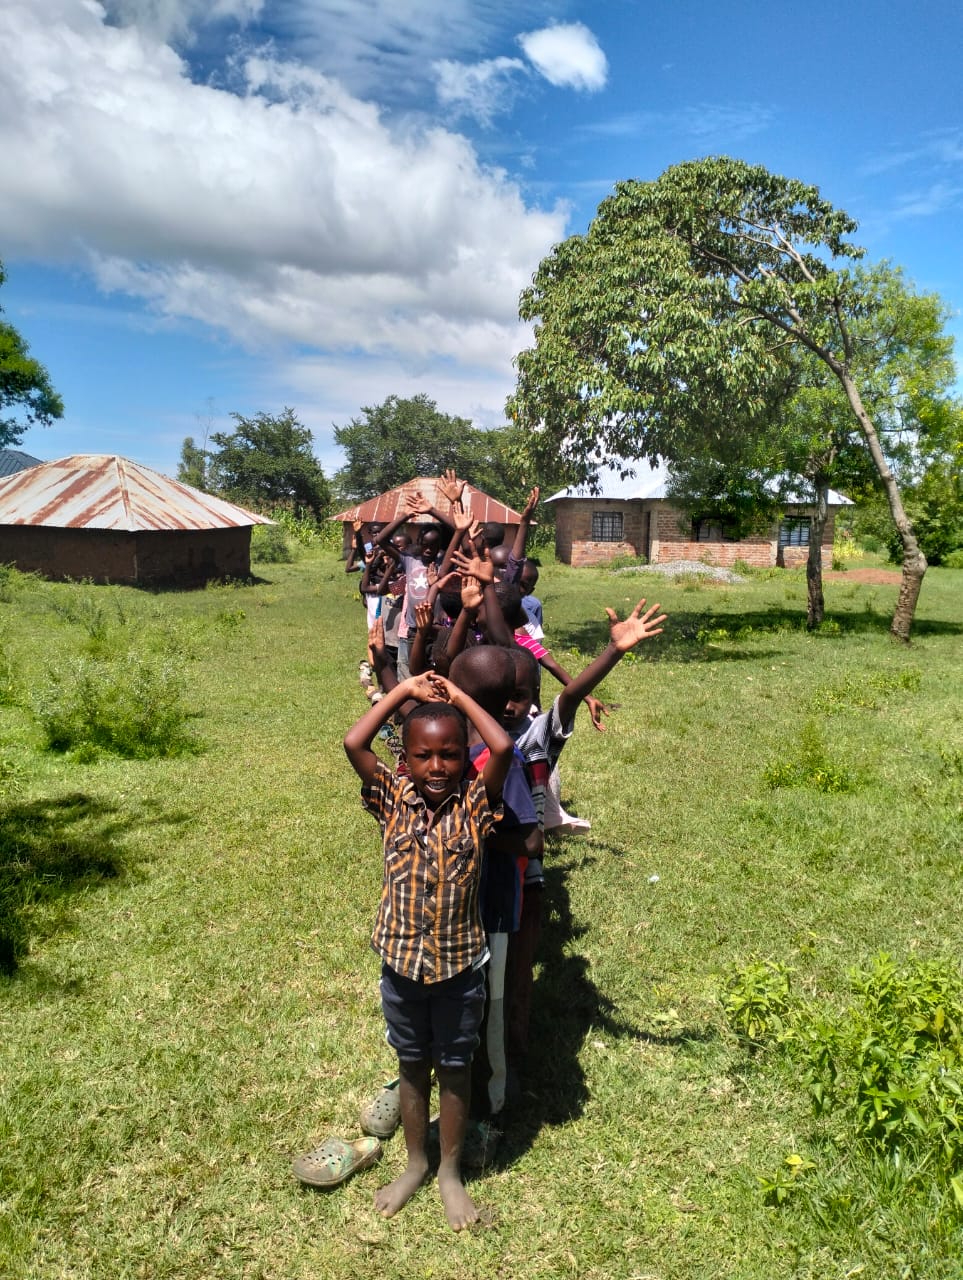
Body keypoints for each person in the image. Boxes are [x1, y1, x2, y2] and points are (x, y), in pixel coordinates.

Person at [343, 671, 514, 1231]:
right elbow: (354, 743)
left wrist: (459, 698)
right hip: (401, 965)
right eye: (423, 756)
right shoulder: (393, 797)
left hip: (459, 967)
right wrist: (407, 691)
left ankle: (448, 1171)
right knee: (412, 1066)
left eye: (449, 754)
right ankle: (415, 1163)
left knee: (456, 1067)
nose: (437, 767)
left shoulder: (474, 801)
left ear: (463, 756)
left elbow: (504, 746)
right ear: (406, 760)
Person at [501, 597, 668, 1076]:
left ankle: (516, 1048)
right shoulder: (465, 737)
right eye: (501, 693)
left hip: (527, 883)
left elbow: (569, 697)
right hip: (481, 880)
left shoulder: (533, 738)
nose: (513, 702)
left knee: (520, 971)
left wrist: (612, 654)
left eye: (524, 693)